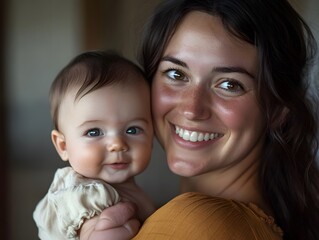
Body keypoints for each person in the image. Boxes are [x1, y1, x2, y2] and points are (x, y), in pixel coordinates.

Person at [99, 0, 319, 239]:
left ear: (277, 111)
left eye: (229, 84)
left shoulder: (195, 224)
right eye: (176, 74)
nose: (192, 109)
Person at [33, 50, 155, 240]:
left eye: (132, 130)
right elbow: (91, 232)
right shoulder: (82, 193)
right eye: (94, 132)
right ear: (63, 146)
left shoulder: (129, 190)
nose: (117, 144)